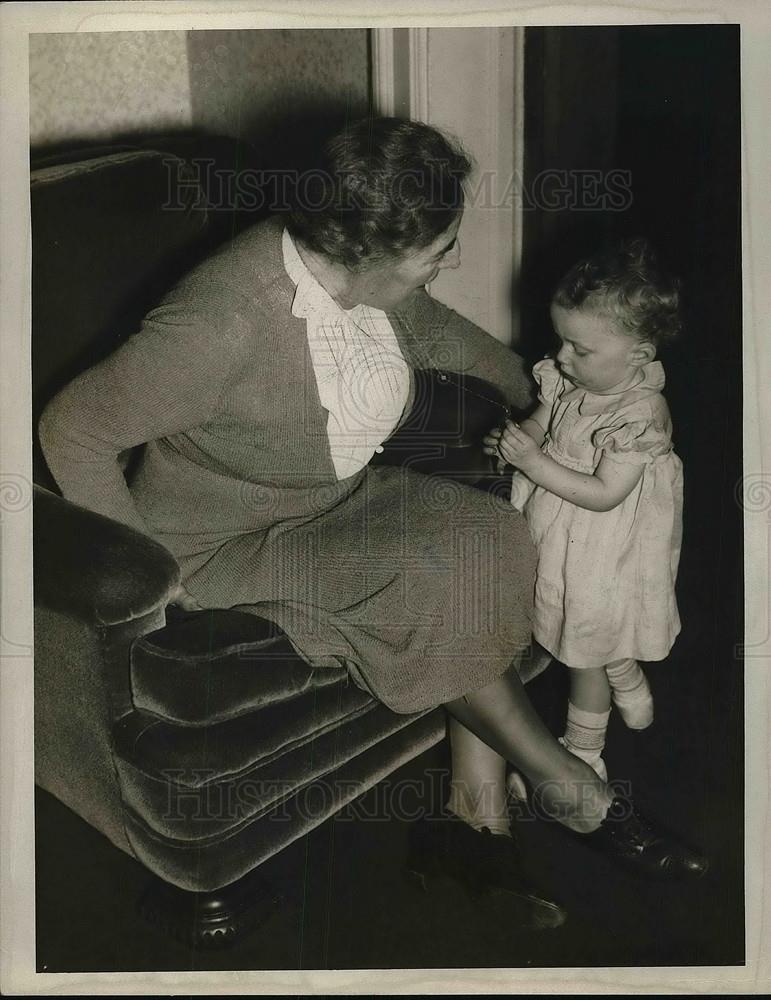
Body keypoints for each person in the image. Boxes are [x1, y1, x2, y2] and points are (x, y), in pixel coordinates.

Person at [39, 117, 705, 932]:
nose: (449, 261)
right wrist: (147, 580)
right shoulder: (220, 325)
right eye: (438, 249)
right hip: (219, 540)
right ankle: (570, 790)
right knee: (426, 579)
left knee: (490, 537)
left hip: (327, 500)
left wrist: (540, 401)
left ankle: (471, 819)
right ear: (368, 253)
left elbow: (428, 327)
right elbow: (73, 428)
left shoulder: (352, 276)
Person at [487, 239, 683, 791]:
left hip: (606, 539)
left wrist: (533, 463)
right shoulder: (569, 377)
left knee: (584, 649)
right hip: (560, 523)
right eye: (561, 342)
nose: (563, 358)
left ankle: (584, 755)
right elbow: (541, 417)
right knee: (577, 618)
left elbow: (604, 494)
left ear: (639, 356)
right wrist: (520, 437)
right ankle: (625, 670)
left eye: (580, 348)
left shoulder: (640, 416)